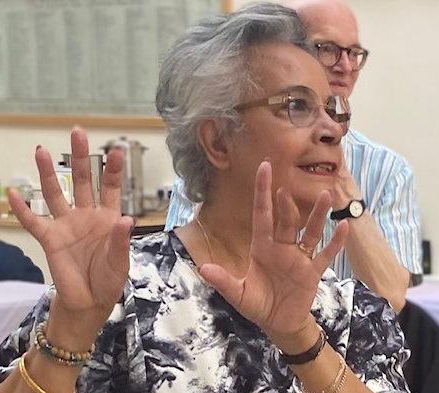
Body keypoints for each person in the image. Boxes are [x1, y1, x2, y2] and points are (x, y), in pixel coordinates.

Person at [0, 5, 423, 393]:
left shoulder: (349, 311)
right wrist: (70, 327)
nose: (331, 130)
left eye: (332, 109)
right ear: (218, 141)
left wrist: (300, 336)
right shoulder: (121, 293)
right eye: (297, 106)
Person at [165, 0, 422, 311]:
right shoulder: (216, 162)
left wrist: (339, 182)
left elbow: (391, 300)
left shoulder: (389, 170)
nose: (345, 66)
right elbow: (180, 266)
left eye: (354, 53)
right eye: (326, 48)